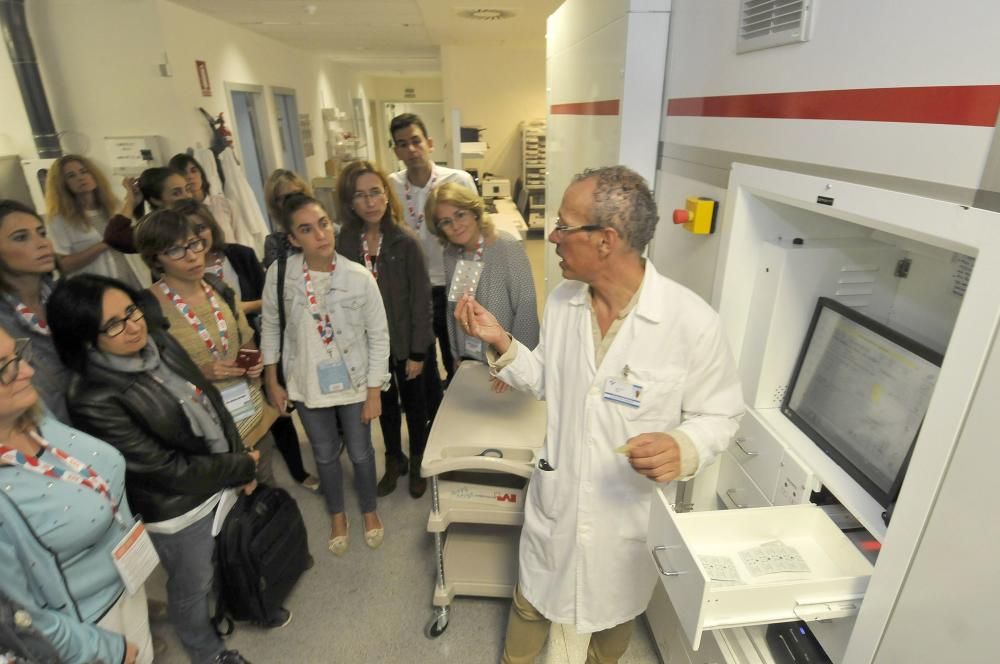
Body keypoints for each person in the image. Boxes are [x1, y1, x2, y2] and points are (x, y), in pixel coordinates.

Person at [456, 166, 744, 663]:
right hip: (559, 496)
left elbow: (721, 415)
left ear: (606, 240)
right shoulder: (566, 302)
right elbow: (548, 378)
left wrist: (685, 446)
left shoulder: (689, 322)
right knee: (531, 605)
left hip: (625, 513)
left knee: (614, 620)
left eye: (565, 226)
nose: (553, 237)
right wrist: (501, 341)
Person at [47, 275, 262, 664]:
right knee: (193, 584)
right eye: (113, 324)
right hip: (178, 506)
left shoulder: (156, 340)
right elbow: (166, 469)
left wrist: (237, 454)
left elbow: (208, 398)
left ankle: (250, 602)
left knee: (233, 551)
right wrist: (239, 465)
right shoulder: (92, 397)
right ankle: (207, 651)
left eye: (130, 311)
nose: (133, 326)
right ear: (83, 338)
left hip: (221, 471)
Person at [0, 327, 154, 664]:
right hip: (85, 631)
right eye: (4, 368)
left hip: (125, 585)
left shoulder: (31, 411)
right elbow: (18, 619)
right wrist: (103, 650)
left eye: (17, 355)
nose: (27, 371)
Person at [261, 193, 390, 556]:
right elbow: (271, 326)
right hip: (307, 384)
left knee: (362, 453)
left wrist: (374, 391)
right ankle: (337, 513)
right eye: (306, 229)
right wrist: (272, 379)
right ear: (292, 239)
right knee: (324, 455)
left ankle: (368, 509)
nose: (320, 235)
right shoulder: (280, 274)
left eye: (322, 224)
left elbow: (380, 336)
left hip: (354, 383)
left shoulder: (359, 277)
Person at [178, 199, 319, 491]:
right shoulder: (176, 279)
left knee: (275, 410)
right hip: (213, 367)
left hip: (255, 343)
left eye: (201, 228)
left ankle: (297, 470)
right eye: (188, 234)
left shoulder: (239, 255)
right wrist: (238, 308)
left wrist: (238, 308)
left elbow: (270, 297)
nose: (197, 238)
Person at [135, 209, 278, 487]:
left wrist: (254, 365)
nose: (191, 255)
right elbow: (147, 376)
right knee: (226, 503)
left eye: (194, 243)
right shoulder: (146, 307)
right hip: (202, 426)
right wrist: (200, 372)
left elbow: (244, 337)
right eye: (175, 250)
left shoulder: (219, 287)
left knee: (266, 485)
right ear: (155, 260)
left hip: (248, 411)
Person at [335, 161, 435, 498]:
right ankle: (395, 459)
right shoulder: (346, 242)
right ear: (350, 203)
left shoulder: (405, 241)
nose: (370, 202)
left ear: (387, 196)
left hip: (407, 344)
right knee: (384, 406)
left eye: (375, 192)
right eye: (360, 195)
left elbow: (422, 301)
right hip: (368, 347)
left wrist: (419, 351)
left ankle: (419, 458)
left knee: (415, 405)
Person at [387, 113, 477, 386]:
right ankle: (430, 415)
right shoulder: (391, 185)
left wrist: (470, 287)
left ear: (429, 142)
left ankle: (459, 412)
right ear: (396, 150)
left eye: (416, 141)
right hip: (412, 288)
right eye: (402, 144)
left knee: (459, 358)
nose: (411, 149)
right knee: (420, 361)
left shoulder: (457, 180)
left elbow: (476, 234)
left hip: (452, 284)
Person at [425, 182, 539, 382]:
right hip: (470, 359)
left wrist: (515, 364)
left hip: (504, 360)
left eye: (460, 214)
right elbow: (453, 308)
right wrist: (455, 354)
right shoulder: (451, 254)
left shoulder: (507, 247)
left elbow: (526, 312)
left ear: (474, 211)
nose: (455, 226)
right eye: (445, 221)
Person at [0, 200, 71, 421]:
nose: (42, 244)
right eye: (21, 237)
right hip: (43, 436)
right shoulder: (2, 326)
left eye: (41, 233)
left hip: (106, 428)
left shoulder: (69, 298)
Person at [44, 154, 147, 288]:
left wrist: (134, 201)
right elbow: (63, 266)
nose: (80, 178)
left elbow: (134, 234)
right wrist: (106, 243)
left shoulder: (114, 206)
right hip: (97, 290)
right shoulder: (59, 220)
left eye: (84, 172)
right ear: (62, 184)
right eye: (71, 176)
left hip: (134, 282)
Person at [169, 153, 239, 243]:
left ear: (201, 173)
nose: (190, 176)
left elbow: (240, 237)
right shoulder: (177, 214)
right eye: (183, 173)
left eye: (194, 171)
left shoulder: (224, 204)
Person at [262, 169, 314, 269]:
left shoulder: (330, 230)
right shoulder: (275, 243)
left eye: (298, 194)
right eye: (287, 198)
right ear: (275, 204)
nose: (294, 201)